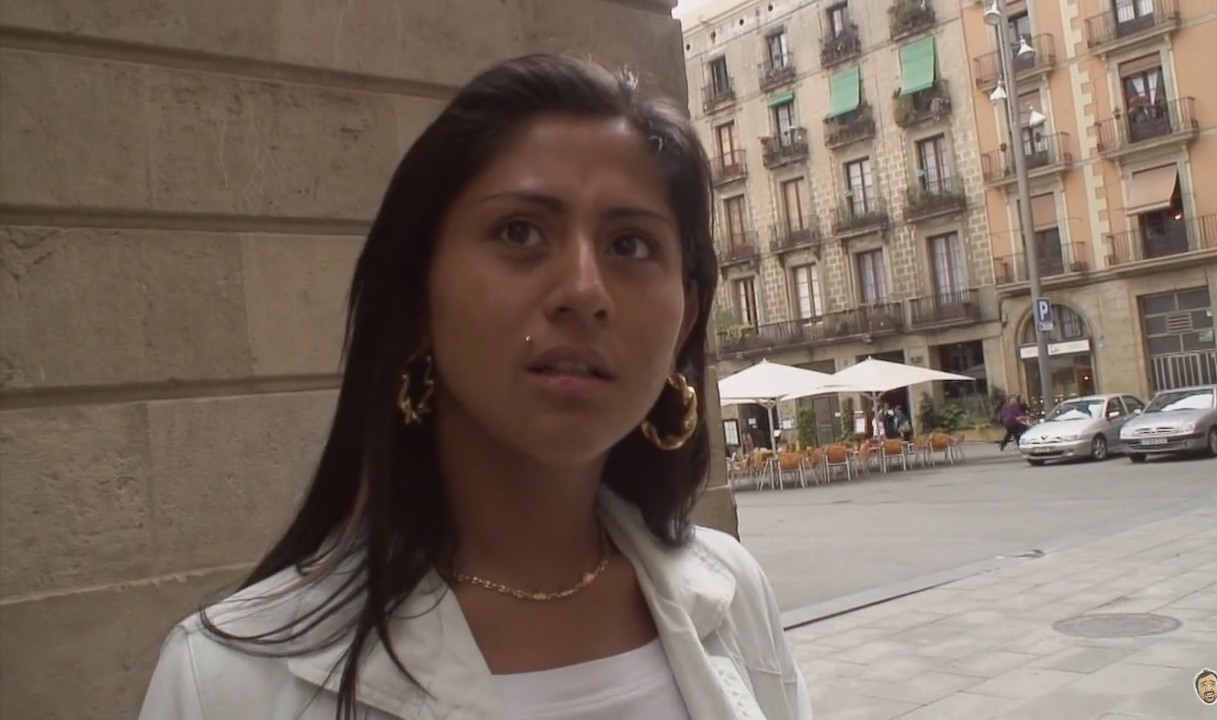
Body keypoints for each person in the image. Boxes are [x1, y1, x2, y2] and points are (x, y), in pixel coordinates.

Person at [138, 55, 811, 720]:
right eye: (521, 232)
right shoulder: (226, 682)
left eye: (631, 245)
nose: (584, 290)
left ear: (685, 315)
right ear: (418, 296)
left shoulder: (734, 594)